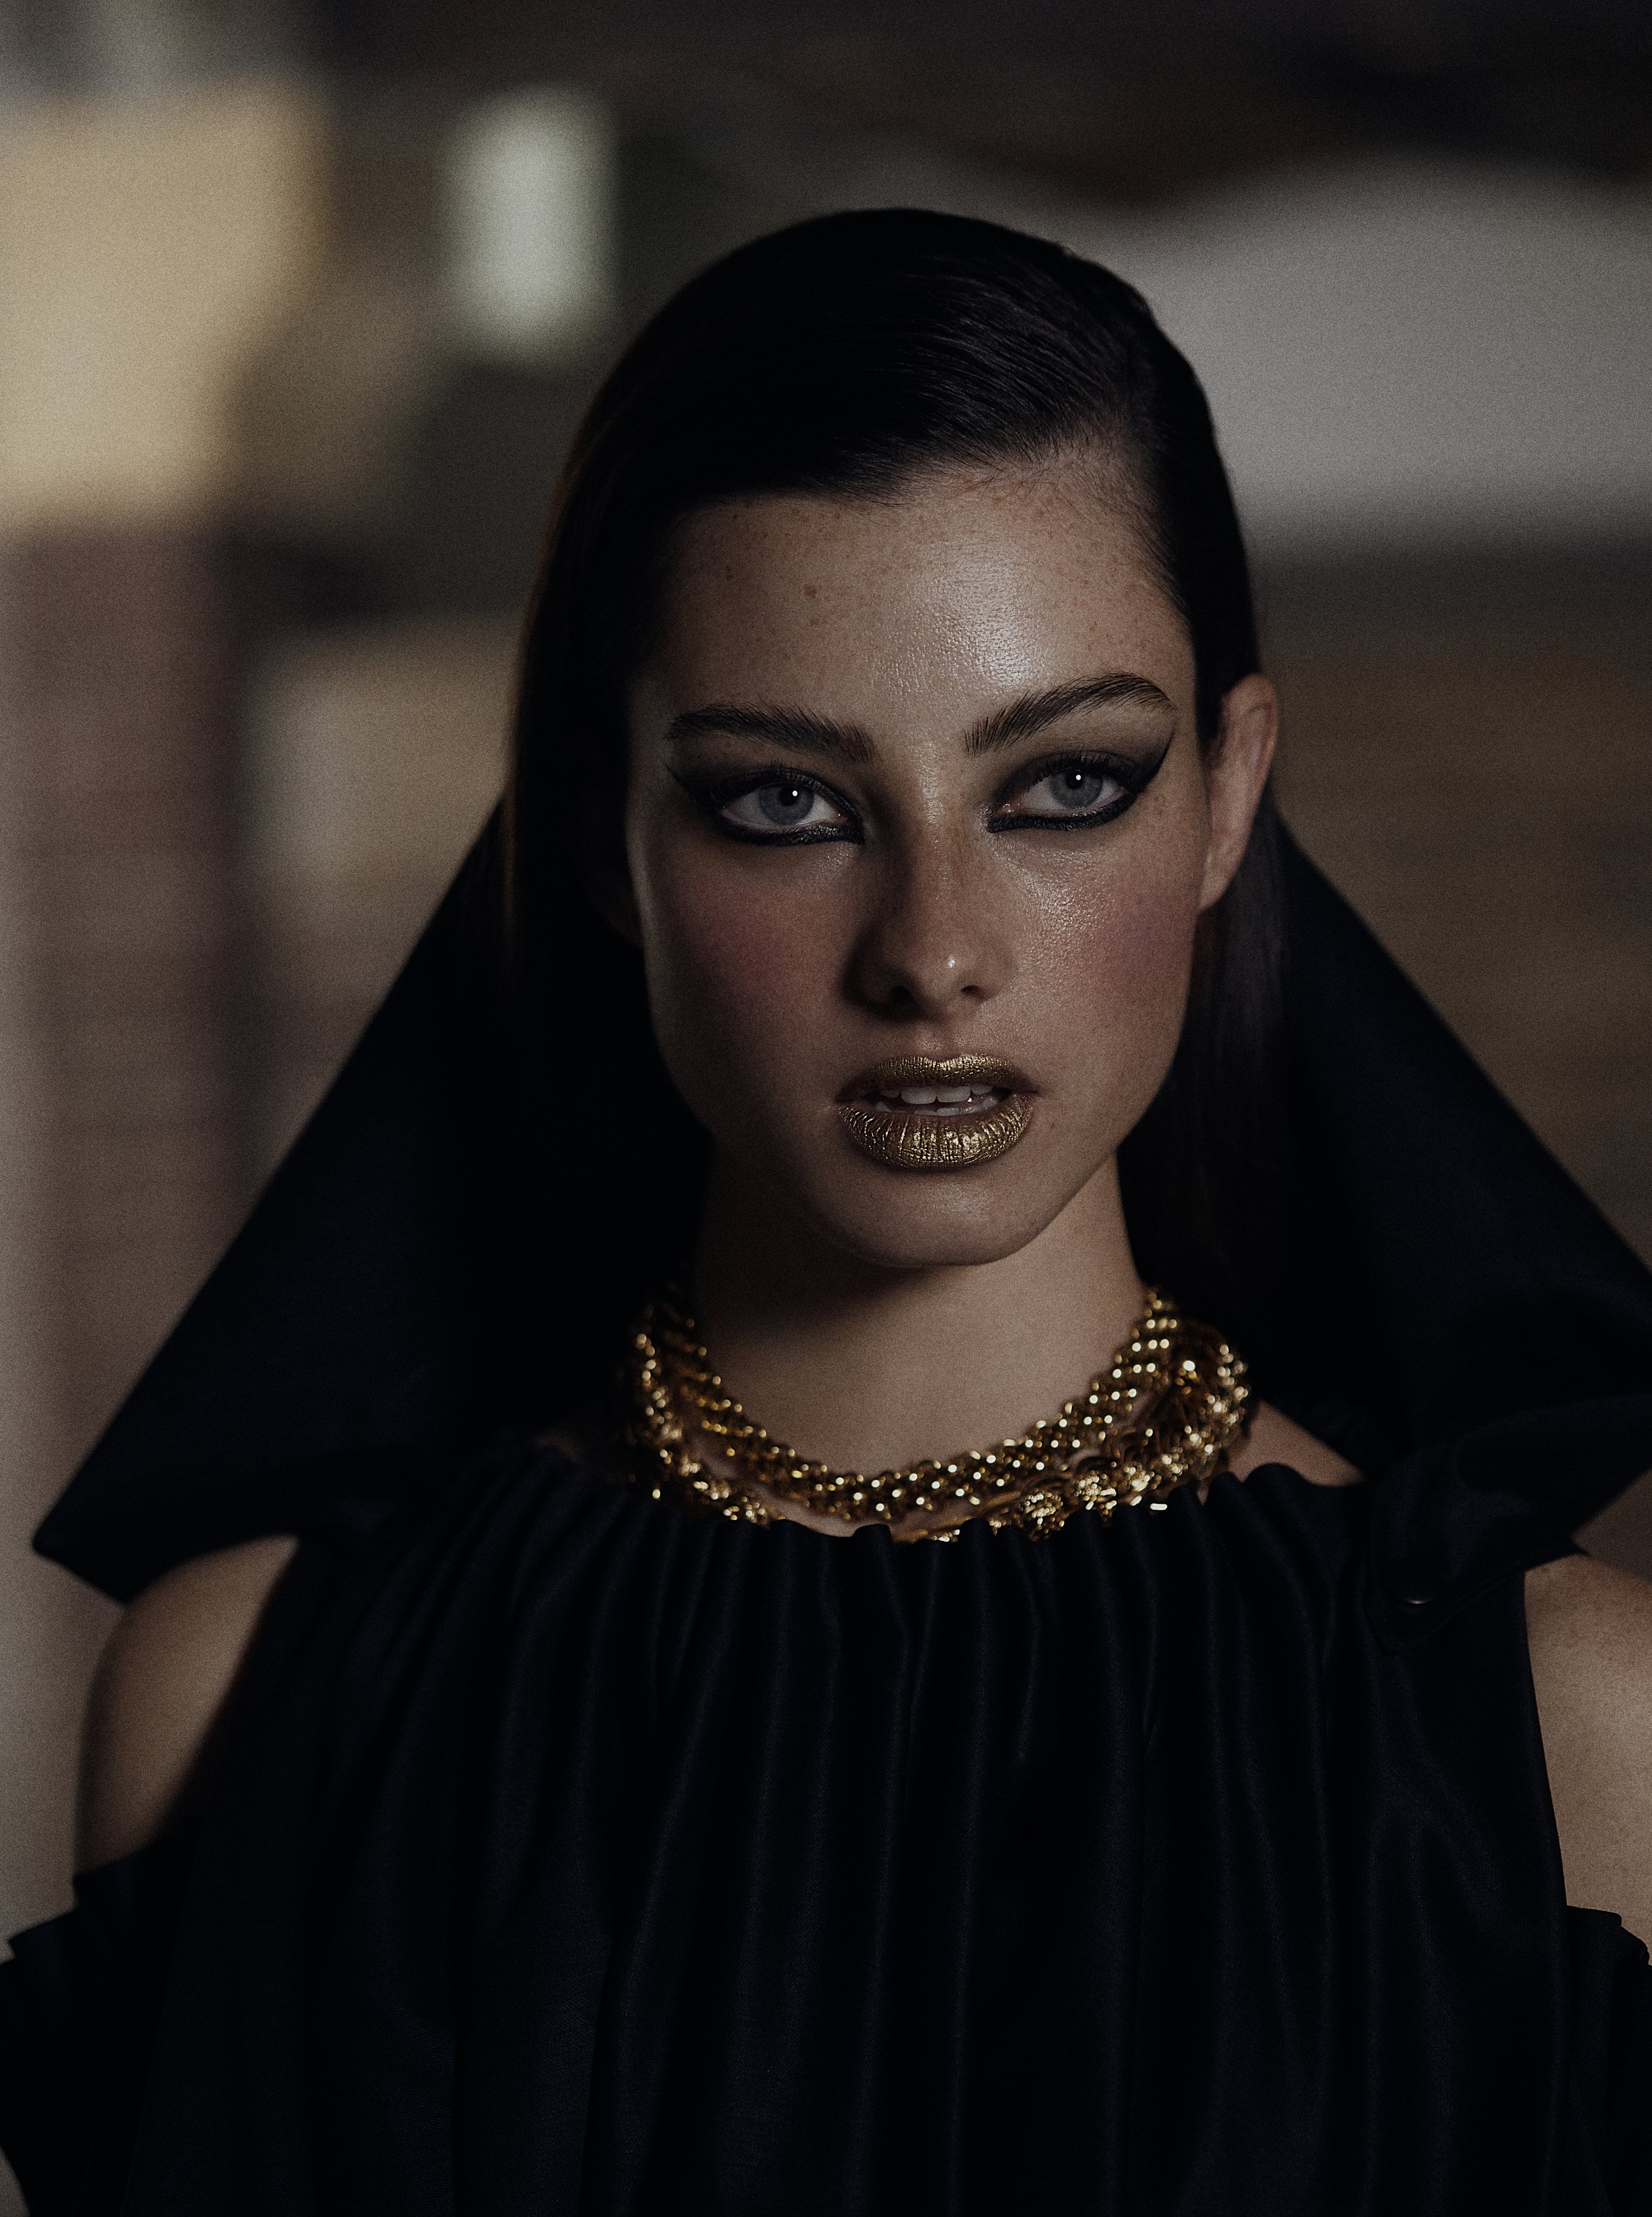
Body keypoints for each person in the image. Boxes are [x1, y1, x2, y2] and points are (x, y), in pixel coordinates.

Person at [2, 209, 1650, 2214]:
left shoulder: (1558, 1730)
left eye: (1063, 785)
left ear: (1226, 792)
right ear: (600, 833)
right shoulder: (254, 1690)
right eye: (781, 799)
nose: (932, 951)